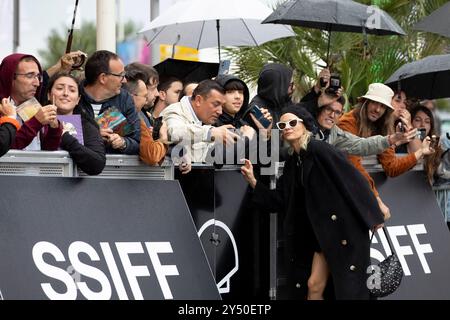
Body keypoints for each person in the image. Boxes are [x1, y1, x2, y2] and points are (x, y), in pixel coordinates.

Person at [240, 105, 384, 300]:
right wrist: (253, 181)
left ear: (305, 125)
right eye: (283, 124)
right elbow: (281, 199)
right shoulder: (293, 161)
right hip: (322, 236)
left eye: (292, 123)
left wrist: (373, 214)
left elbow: (352, 179)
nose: (287, 127)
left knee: (350, 290)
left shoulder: (319, 149)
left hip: (344, 232)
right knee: (314, 286)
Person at [338, 83, 434, 219]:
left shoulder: (383, 125)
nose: (378, 109)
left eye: (383, 106)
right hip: (341, 193)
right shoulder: (348, 122)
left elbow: (391, 167)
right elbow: (354, 166)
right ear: (365, 102)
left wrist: (420, 152)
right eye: (374, 103)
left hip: (361, 194)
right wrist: (377, 200)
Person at [160, 79, 239, 163]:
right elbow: (174, 132)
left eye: (222, 106)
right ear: (198, 100)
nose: (220, 111)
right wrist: (210, 133)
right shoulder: (174, 111)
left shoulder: (203, 120)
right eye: (216, 104)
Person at [78, 50, 140, 155]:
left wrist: (123, 143)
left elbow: (138, 141)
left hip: (113, 170)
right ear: (103, 78)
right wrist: (93, 135)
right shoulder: (73, 97)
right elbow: (64, 135)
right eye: (121, 75)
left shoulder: (124, 100)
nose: (124, 80)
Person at [46, 72, 106, 175]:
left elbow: (97, 164)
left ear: (78, 99)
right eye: (60, 88)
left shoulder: (86, 126)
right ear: (48, 95)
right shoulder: (36, 121)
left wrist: (66, 137)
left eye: (72, 90)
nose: (65, 93)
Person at [0, 53, 62, 151]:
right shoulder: (1, 108)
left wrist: (54, 129)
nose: (37, 83)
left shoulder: (34, 107)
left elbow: (47, 150)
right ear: (10, 77)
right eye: (30, 76)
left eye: (38, 76)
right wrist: (36, 122)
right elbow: (5, 148)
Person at [122, 78, 168, 166]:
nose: (145, 101)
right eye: (144, 96)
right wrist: (163, 137)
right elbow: (152, 156)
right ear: (132, 97)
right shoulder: (136, 119)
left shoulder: (110, 113)